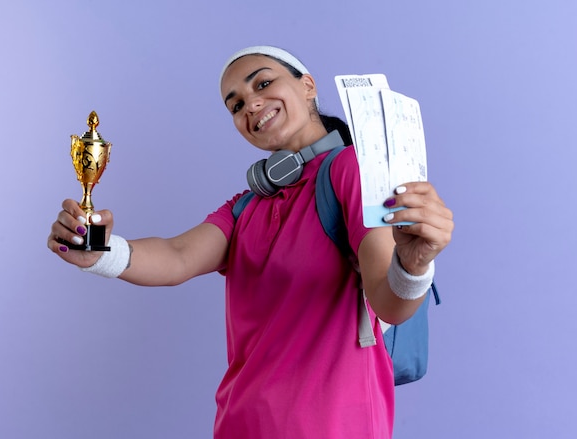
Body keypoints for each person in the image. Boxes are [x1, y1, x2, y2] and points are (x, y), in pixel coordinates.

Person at [48, 46, 454, 439]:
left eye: (262, 84)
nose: (251, 105)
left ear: (308, 85)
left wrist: (414, 264)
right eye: (236, 105)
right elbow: (175, 257)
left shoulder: (350, 170)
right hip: (240, 424)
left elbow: (390, 303)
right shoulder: (246, 206)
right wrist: (96, 247)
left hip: (330, 427)